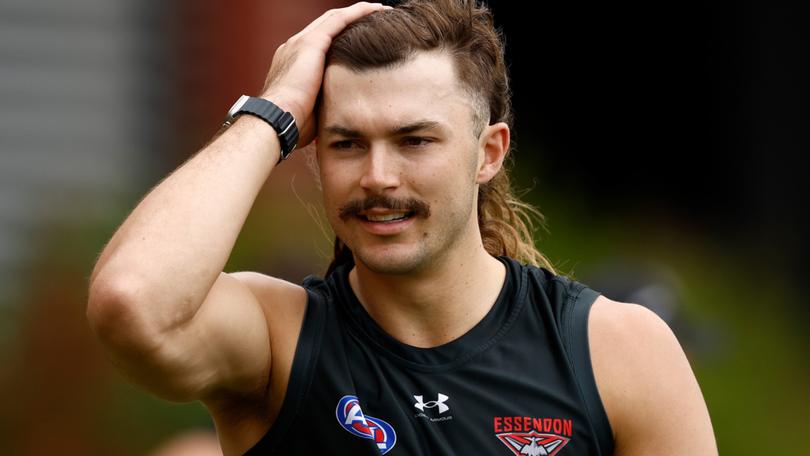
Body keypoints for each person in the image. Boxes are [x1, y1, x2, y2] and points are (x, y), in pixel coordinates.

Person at [86, 1, 718, 455]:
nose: (378, 176)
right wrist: (270, 113)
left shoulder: (616, 351)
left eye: (414, 140)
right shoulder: (278, 343)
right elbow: (133, 301)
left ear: (488, 152)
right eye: (346, 143)